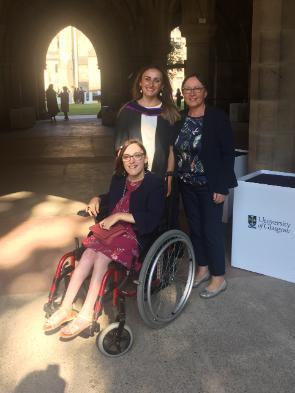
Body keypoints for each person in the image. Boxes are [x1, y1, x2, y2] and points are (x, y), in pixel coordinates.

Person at [43, 139, 165, 339]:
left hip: (135, 233)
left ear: (145, 159)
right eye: (127, 157)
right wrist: (96, 199)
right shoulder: (119, 179)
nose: (132, 161)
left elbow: (153, 218)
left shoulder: (154, 183)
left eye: (137, 156)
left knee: (100, 259)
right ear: (122, 160)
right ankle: (65, 308)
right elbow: (110, 197)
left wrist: (118, 216)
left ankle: (86, 314)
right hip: (111, 229)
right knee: (87, 256)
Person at [174, 74, 237, 299]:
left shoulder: (217, 118)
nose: (191, 92)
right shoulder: (180, 119)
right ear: (182, 93)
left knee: (212, 231)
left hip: (210, 186)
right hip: (186, 186)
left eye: (197, 88)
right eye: (187, 88)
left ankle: (219, 277)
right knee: (195, 229)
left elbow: (227, 154)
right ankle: (202, 268)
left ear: (205, 92)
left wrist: (222, 187)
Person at [114, 65, 180, 196]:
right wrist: (122, 179)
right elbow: (120, 150)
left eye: (157, 80)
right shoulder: (127, 111)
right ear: (140, 82)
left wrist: (169, 178)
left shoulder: (169, 113)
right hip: (133, 177)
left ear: (162, 85)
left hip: (160, 177)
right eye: (147, 79)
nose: (151, 84)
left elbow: (172, 150)